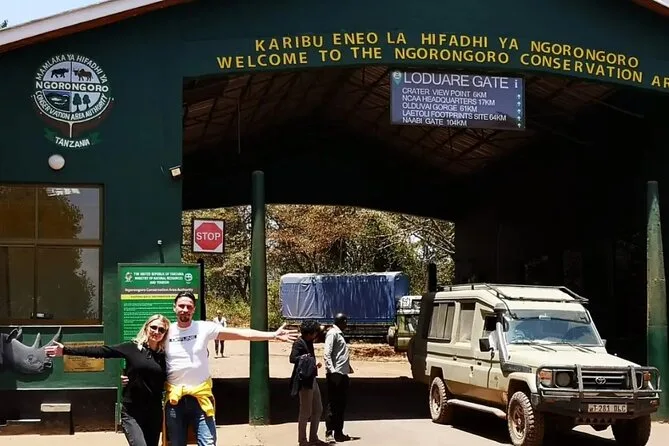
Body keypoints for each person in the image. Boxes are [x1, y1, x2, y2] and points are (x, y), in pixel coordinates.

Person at [163, 291, 298, 446]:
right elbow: (146, 345)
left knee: (208, 442)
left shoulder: (203, 328)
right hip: (175, 400)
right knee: (176, 443)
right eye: (181, 306)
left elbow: (242, 334)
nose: (185, 310)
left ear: (194, 309)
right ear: (174, 307)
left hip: (201, 398)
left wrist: (272, 335)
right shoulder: (166, 331)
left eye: (189, 307)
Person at [46, 314, 171, 446]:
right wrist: (65, 350)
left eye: (161, 330)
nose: (156, 332)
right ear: (146, 328)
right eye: (153, 327)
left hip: (154, 412)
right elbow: (102, 351)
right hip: (132, 411)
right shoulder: (132, 348)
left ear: (165, 334)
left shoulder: (165, 356)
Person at [289, 320, 326, 446]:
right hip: (304, 380)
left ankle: (313, 438)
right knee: (305, 412)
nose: (316, 334)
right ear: (309, 334)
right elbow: (292, 358)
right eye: (315, 332)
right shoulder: (299, 343)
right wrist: (308, 360)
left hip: (312, 378)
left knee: (318, 409)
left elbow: (320, 330)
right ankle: (303, 440)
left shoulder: (310, 341)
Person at [323, 313, 353, 443]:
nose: (347, 324)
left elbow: (340, 355)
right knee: (333, 405)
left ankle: (339, 433)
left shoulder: (339, 334)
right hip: (335, 375)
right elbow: (327, 354)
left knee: (341, 405)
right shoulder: (332, 333)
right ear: (342, 321)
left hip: (343, 374)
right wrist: (332, 371)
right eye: (345, 321)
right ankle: (329, 432)